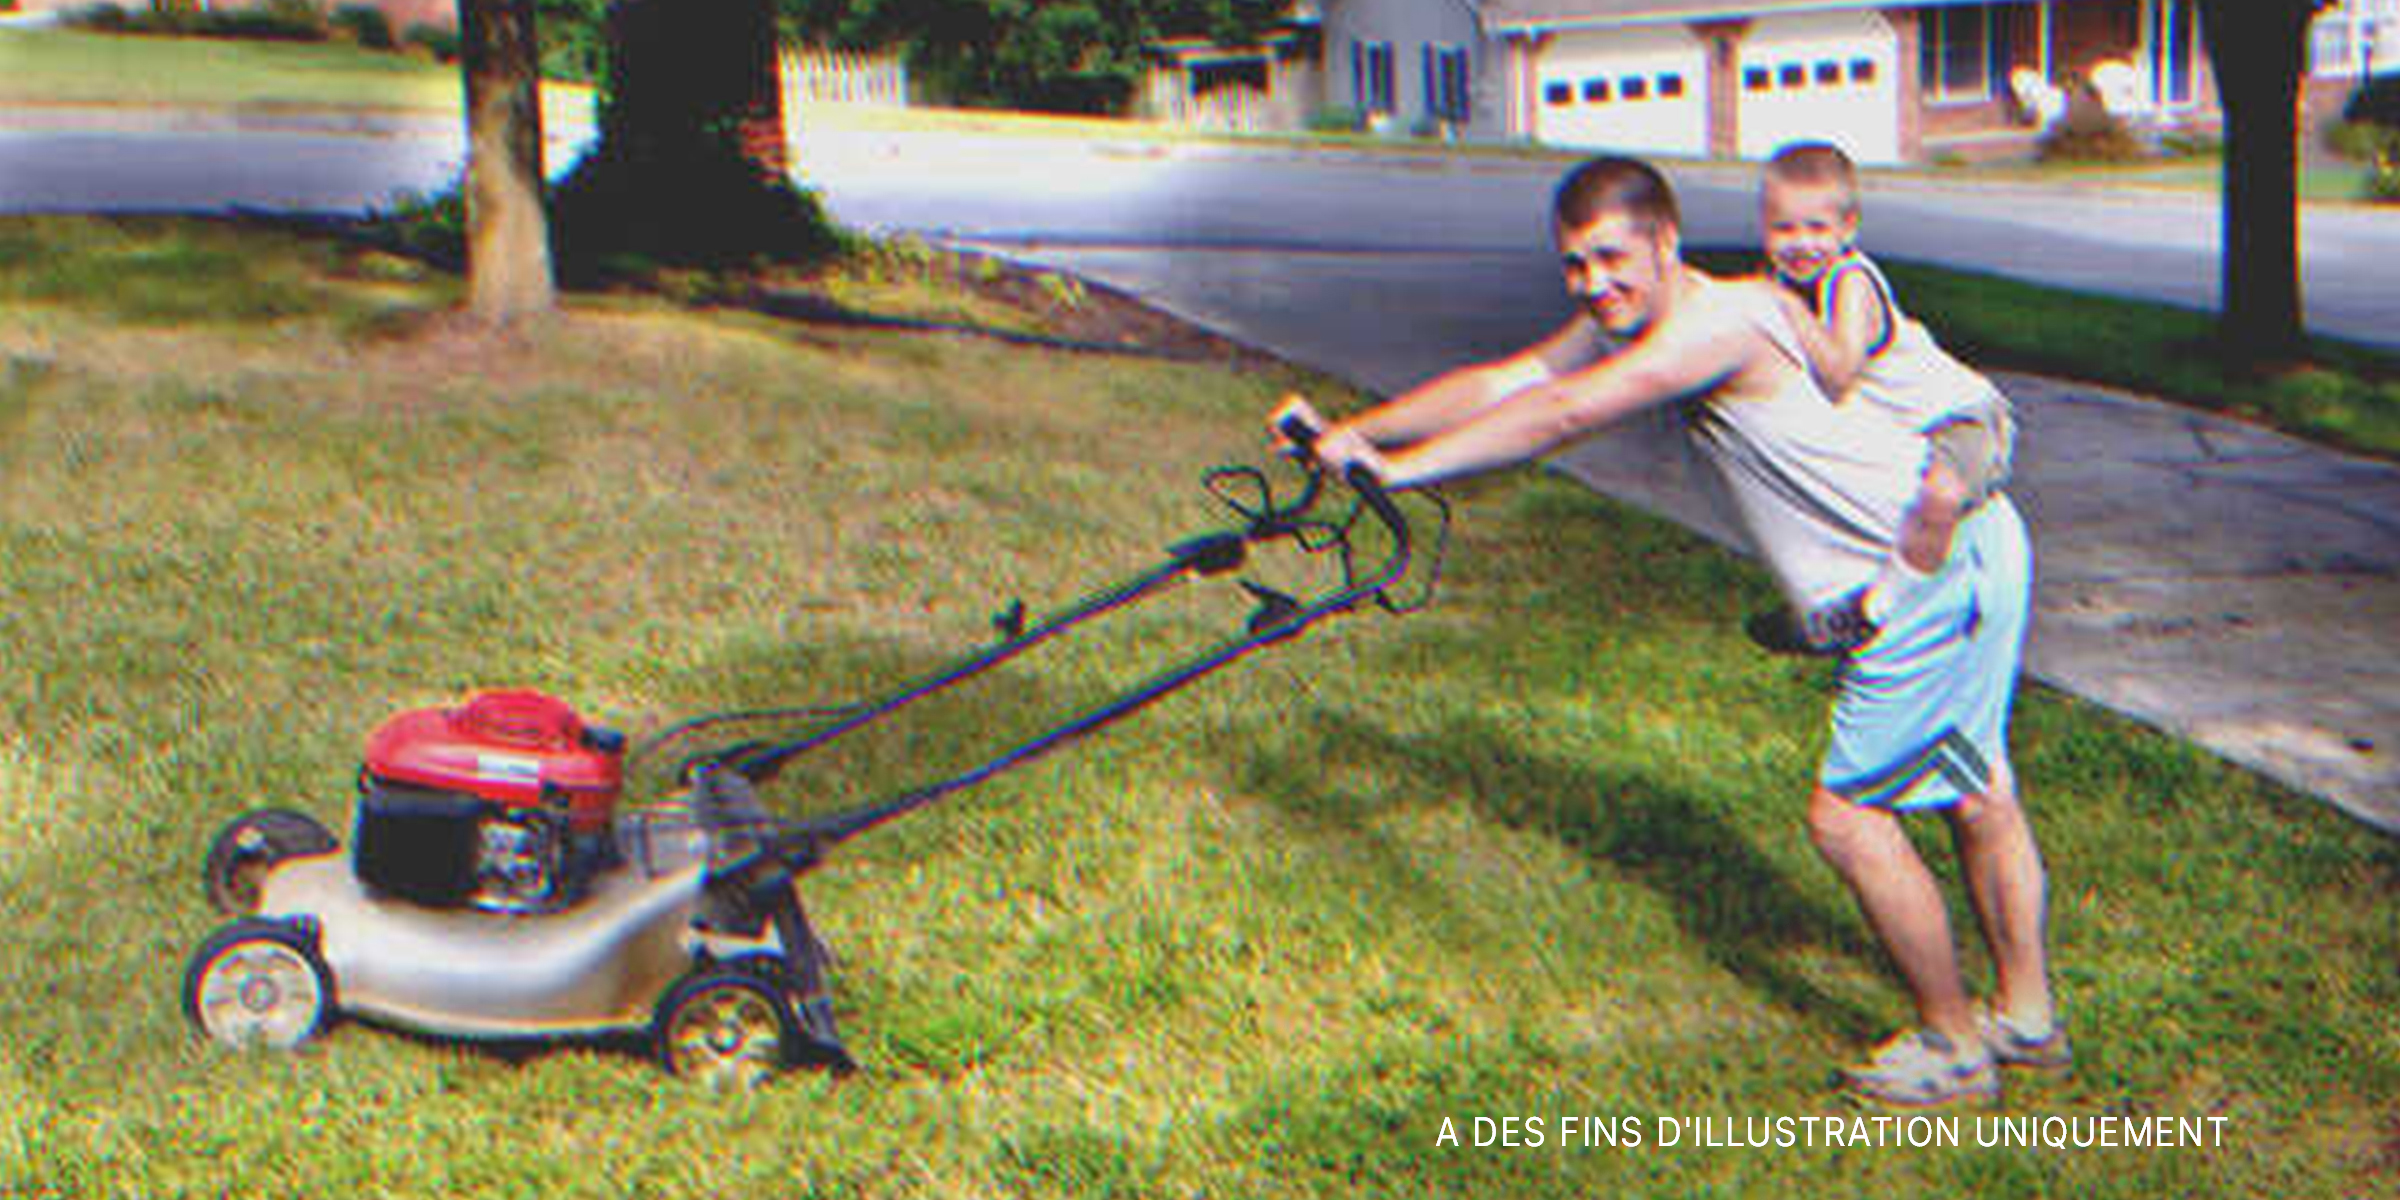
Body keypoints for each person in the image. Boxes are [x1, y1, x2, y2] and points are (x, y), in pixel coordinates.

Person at [1280, 155, 2066, 1108]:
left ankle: (1953, 1046)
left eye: (1612, 257)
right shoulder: (1655, 307)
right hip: (1971, 551)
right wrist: (1358, 437)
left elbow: (1562, 411)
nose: (1594, 283)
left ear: (1665, 241)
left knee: (1850, 818)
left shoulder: (1721, 322)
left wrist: (1402, 475)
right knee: (1978, 793)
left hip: (1931, 569)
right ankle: (2023, 1020)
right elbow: (1511, 380)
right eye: (1574, 265)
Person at [1756, 141, 2018, 650]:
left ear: (1847, 228)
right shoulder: (1783, 283)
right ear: (1764, 227)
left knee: (1938, 497)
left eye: (1817, 229)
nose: (1800, 244)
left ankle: (1877, 614)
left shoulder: (1848, 281)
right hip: (1899, 432)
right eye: (1784, 228)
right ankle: (1824, 598)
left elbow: (1838, 373)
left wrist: (1785, 308)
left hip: (1964, 418)